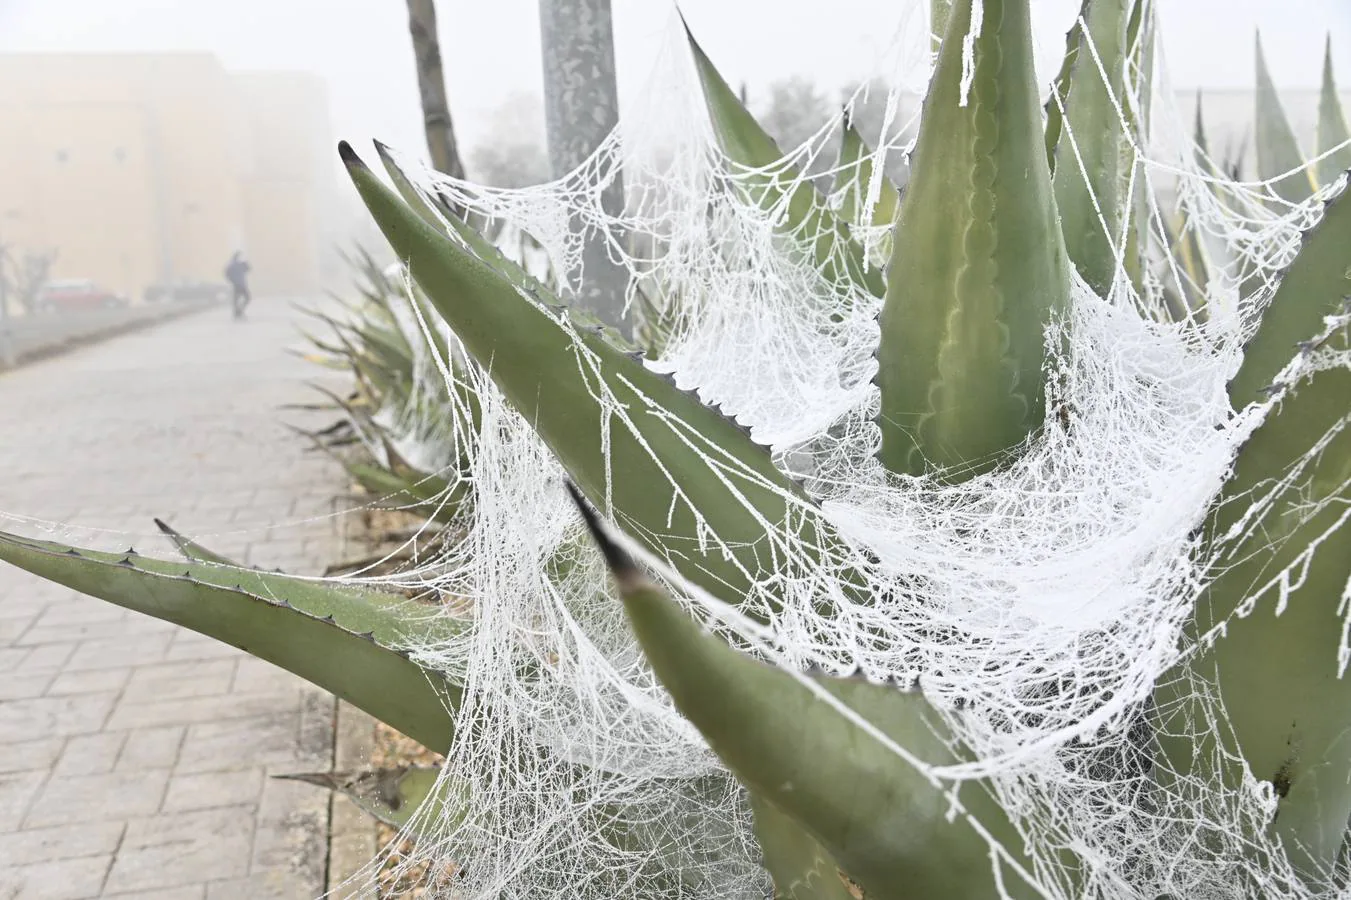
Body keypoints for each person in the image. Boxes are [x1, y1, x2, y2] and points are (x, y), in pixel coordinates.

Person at [224, 251, 252, 319]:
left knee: (236, 299)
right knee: (247, 297)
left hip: (236, 284)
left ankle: (237, 311)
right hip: (241, 284)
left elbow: (227, 274)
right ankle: (239, 311)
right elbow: (248, 269)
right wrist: (246, 262)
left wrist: (232, 281)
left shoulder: (231, 265)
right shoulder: (240, 264)